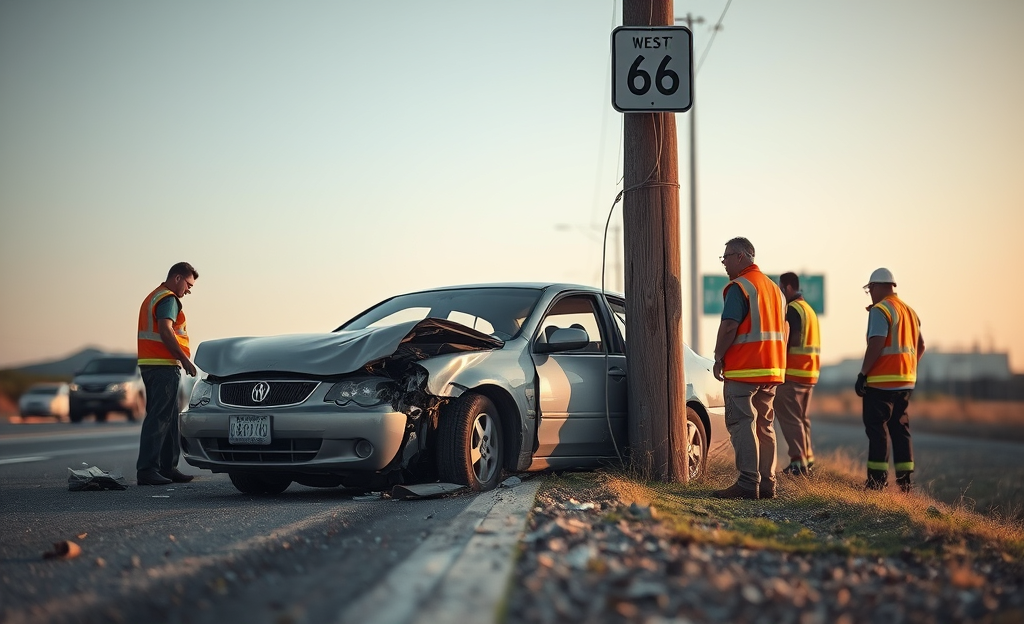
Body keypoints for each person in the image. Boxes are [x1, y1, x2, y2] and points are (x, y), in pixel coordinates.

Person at [711, 237, 787, 500]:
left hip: (745, 368)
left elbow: (730, 325)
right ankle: (768, 484)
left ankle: (747, 482)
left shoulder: (740, 287)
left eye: (726, 257)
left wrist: (719, 356)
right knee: (765, 425)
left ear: (741, 257)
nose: (724, 263)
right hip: (772, 369)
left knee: (742, 423)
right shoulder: (774, 290)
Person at [855, 268, 925, 492]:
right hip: (906, 382)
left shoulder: (881, 310)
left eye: (869, 289)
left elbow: (876, 343)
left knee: (877, 430)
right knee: (900, 429)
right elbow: (920, 346)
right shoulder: (909, 311)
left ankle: (876, 482)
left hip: (881, 383)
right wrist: (908, 367)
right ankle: (905, 483)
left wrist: (863, 374)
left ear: (875, 286)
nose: (870, 294)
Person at [136, 262, 199, 486]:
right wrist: (184, 359)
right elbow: (165, 330)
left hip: (153, 363)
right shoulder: (168, 299)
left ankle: (167, 468)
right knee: (160, 418)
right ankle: (147, 470)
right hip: (162, 365)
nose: (189, 290)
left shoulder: (154, 295)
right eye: (188, 284)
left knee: (169, 417)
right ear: (178, 278)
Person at [776, 272, 820, 477]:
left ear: (789, 288)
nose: (781, 292)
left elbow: (791, 340)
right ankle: (807, 460)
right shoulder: (809, 309)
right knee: (802, 419)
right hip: (808, 373)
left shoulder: (792, 309)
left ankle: (797, 463)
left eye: (781, 288)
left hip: (792, 373)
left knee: (791, 419)